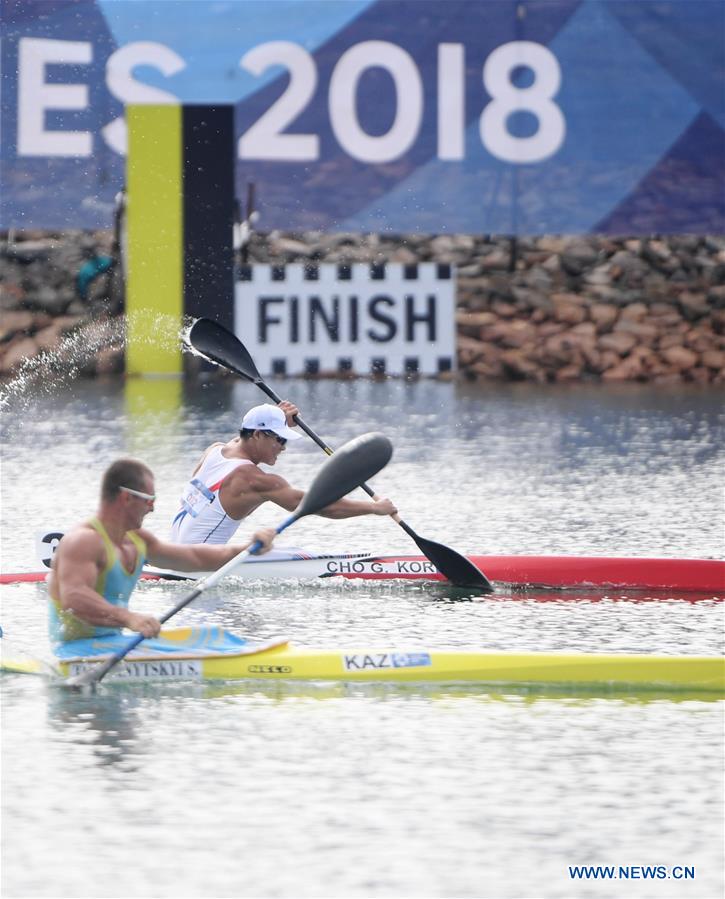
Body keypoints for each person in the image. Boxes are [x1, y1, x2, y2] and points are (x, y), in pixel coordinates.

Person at [48, 457, 276, 646]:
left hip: (112, 643)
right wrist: (130, 618)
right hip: (73, 650)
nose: (153, 508)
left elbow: (194, 558)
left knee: (218, 639)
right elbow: (74, 598)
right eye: (149, 500)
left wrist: (245, 549)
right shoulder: (83, 541)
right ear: (126, 498)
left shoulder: (138, 540)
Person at [170, 402, 396, 545]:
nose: (283, 446)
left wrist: (278, 419)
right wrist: (374, 508)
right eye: (280, 438)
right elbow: (319, 504)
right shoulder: (254, 480)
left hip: (178, 557)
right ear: (258, 435)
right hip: (200, 567)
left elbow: (241, 438)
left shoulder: (215, 450)